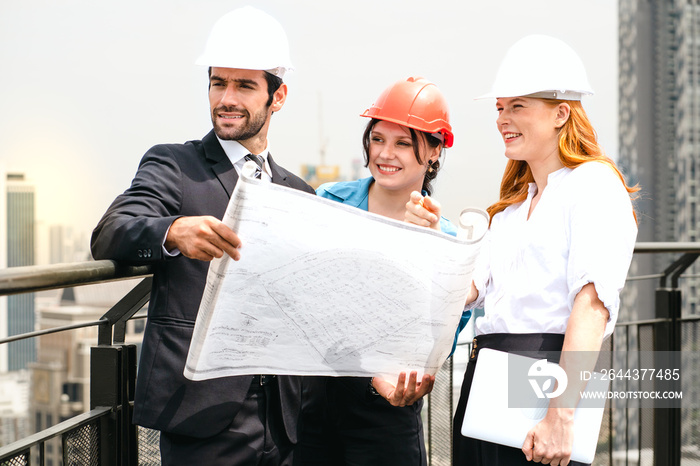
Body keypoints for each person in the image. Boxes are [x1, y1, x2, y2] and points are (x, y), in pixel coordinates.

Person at [90, 7, 315, 466]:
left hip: (284, 419)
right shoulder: (174, 165)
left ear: (279, 96)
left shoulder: (299, 192)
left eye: (245, 85)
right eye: (218, 82)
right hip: (202, 414)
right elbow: (110, 233)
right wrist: (172, 231)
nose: (226, 98)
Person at [406, 35, 639, 466]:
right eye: (499, 107)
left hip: (542, 383)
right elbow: (466, 290)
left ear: (561, 114)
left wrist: (561, 415)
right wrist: (431, 236)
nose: (502, 119)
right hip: (486, 383)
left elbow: (591, 306)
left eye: (517, 106)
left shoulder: (593, 185)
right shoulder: (511, 210)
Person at [298, 77, 468, 466]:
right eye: (377, 139)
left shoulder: (448, 240)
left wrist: (427, 248)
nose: (385, 153)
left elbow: (440, 336)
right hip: (311, 402)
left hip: (386, 413)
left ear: (435, 151)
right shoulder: (329, 203)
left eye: (403, 143)